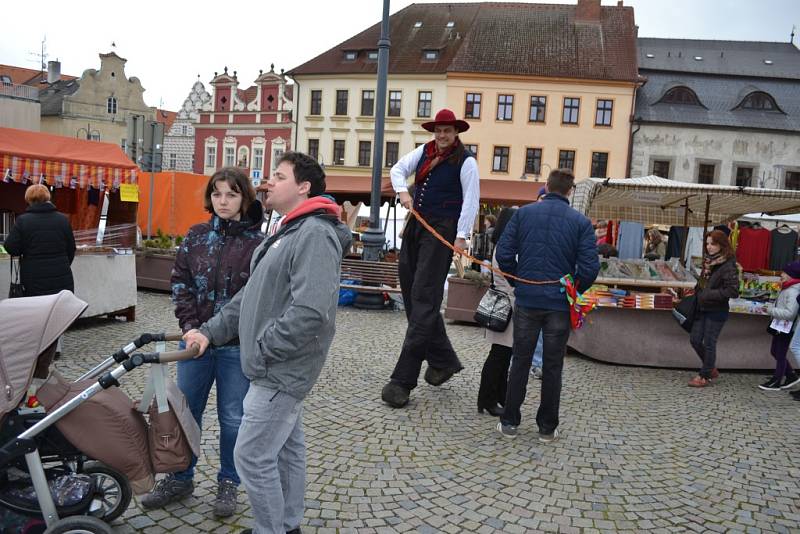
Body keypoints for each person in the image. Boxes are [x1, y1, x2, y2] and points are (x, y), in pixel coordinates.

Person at [184, 152, 351, 534]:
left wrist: (261, 348)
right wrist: (209, 332)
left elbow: (312, 311)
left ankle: (271, 529)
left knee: (251, 456)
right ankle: (287, 524)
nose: (268, 182)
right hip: (274, 366)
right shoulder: (290, 230)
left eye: (278, 176)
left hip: (279, 369)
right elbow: (248, 298)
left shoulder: (315, 234)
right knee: (287, 451)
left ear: (303, 187)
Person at [140, 168, 264, 516]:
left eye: (231, 194)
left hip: (235, 346)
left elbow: (256, 298)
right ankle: (180, 476)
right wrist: (191, 328)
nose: (223, 201)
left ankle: (229, 481)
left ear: (245, 198)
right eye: (217, 194)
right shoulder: (195, 236)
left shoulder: (258, 244)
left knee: (233, 417)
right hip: (193, 343)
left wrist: (219, 333)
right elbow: (180, 283)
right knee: (186, 412)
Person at [381, 108, 480, 409]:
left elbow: (471, 200)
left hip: (442, 230)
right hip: (416, 226)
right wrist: (403, 192)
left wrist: (461, 238)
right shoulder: (423, 152)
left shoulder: (467, 161)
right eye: (438, 130)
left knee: (424, 297)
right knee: (412, 295)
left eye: (447, 130)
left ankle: (402, 380)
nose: (442, 135)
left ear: (456, 132)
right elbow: (398, 169)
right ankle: (443, 360)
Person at [495, 169, 599, 442]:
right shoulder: (581, 223)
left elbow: (503, 254)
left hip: (528, 297)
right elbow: (590, 268)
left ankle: (510, 421)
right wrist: (572, 289)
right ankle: (547, 427)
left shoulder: (523, 214)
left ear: (546, 187)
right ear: (570, 191)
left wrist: (517, 280)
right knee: (553, 365)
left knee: (520, 360)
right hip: (558, 303)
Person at [4, 184, 76, 359]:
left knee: (38, 312)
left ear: (29, 200)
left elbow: (11, 247)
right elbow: (71, 249)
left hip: (33, 276)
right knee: (57, 311)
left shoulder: (23, 221)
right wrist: (63, 265)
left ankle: (39, 348)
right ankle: (56, 348)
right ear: (48, 198)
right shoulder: (62, 219)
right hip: (61, 275)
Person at [687, 230, 739, 387]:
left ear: (722, 246)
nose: (709, 247)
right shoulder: (709, 262)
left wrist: (709, 294)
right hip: (702, 307)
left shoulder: (729, 265)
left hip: (717, 310)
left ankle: (704, 375)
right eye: (707, 244)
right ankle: (710, 368)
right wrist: (697, 289)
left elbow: (733, 291)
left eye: (713, 244)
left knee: (709, 342)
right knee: (695, 339)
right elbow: (703, 283)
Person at [758, 261, 800, 391]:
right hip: (780, 325)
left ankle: (777, 380)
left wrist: (770, 310)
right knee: (774, 351)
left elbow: (790, 313)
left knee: (780, 353)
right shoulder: (787, 287)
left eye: (784, 273)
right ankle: (791, 375)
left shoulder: (794, 291)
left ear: (792, 275)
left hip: (787, 327)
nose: (781, 274)